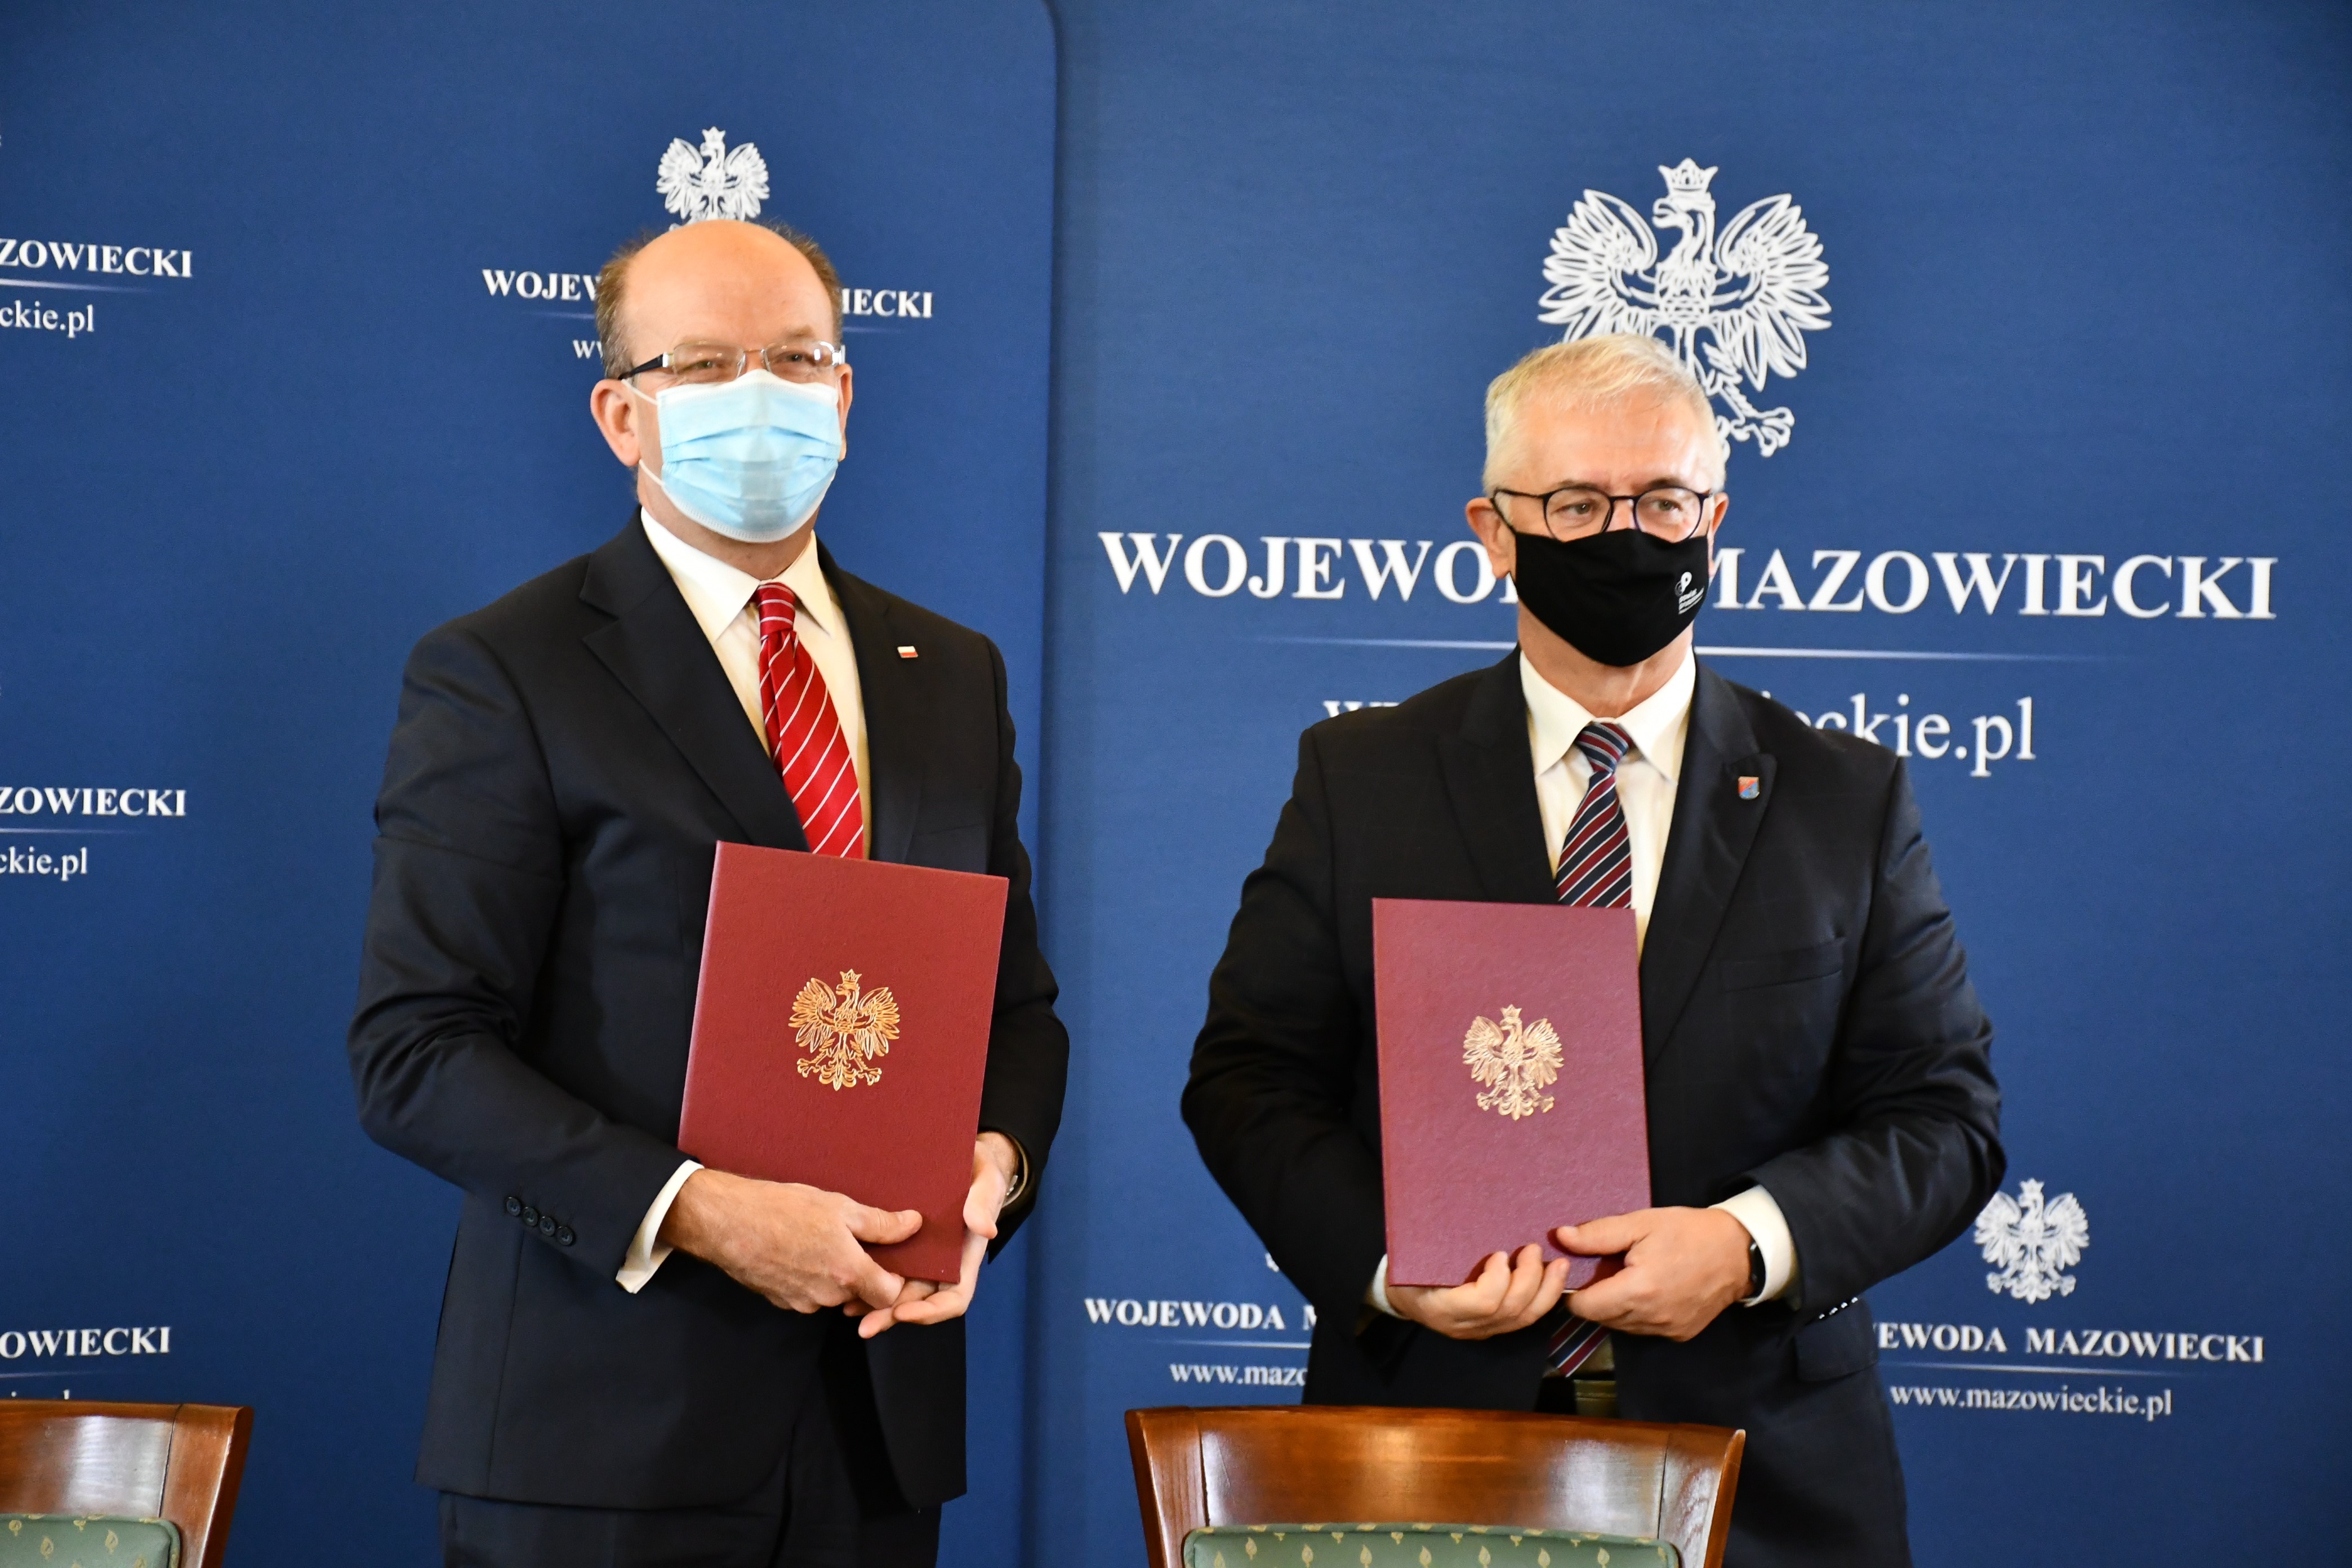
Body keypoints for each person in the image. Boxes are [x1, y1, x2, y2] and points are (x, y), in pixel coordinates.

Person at [1183, 334, 2001, 1567]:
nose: (1627, 536)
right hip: (1427, 1452)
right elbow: (1249, 1079)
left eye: (1663, 501)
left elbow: (1945, 1120)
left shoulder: (1846, 800)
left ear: (1715, 520)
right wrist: (1395, 1268)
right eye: (1576, 505)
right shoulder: (1364, 779)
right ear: (1495, 532)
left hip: (1764, 1475)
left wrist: (1746, 1245)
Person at [349, 216, 1067, 1568]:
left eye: (796, 359)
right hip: (599, 1439)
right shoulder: (504, 671)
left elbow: (1013, 1009)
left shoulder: (951, 673)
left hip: (876, 1429)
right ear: (623, 415)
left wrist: (993, 1172)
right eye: (704, 365)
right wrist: (702, 1211)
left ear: (843, 396)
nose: (762, 394)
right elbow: (417, 1052)